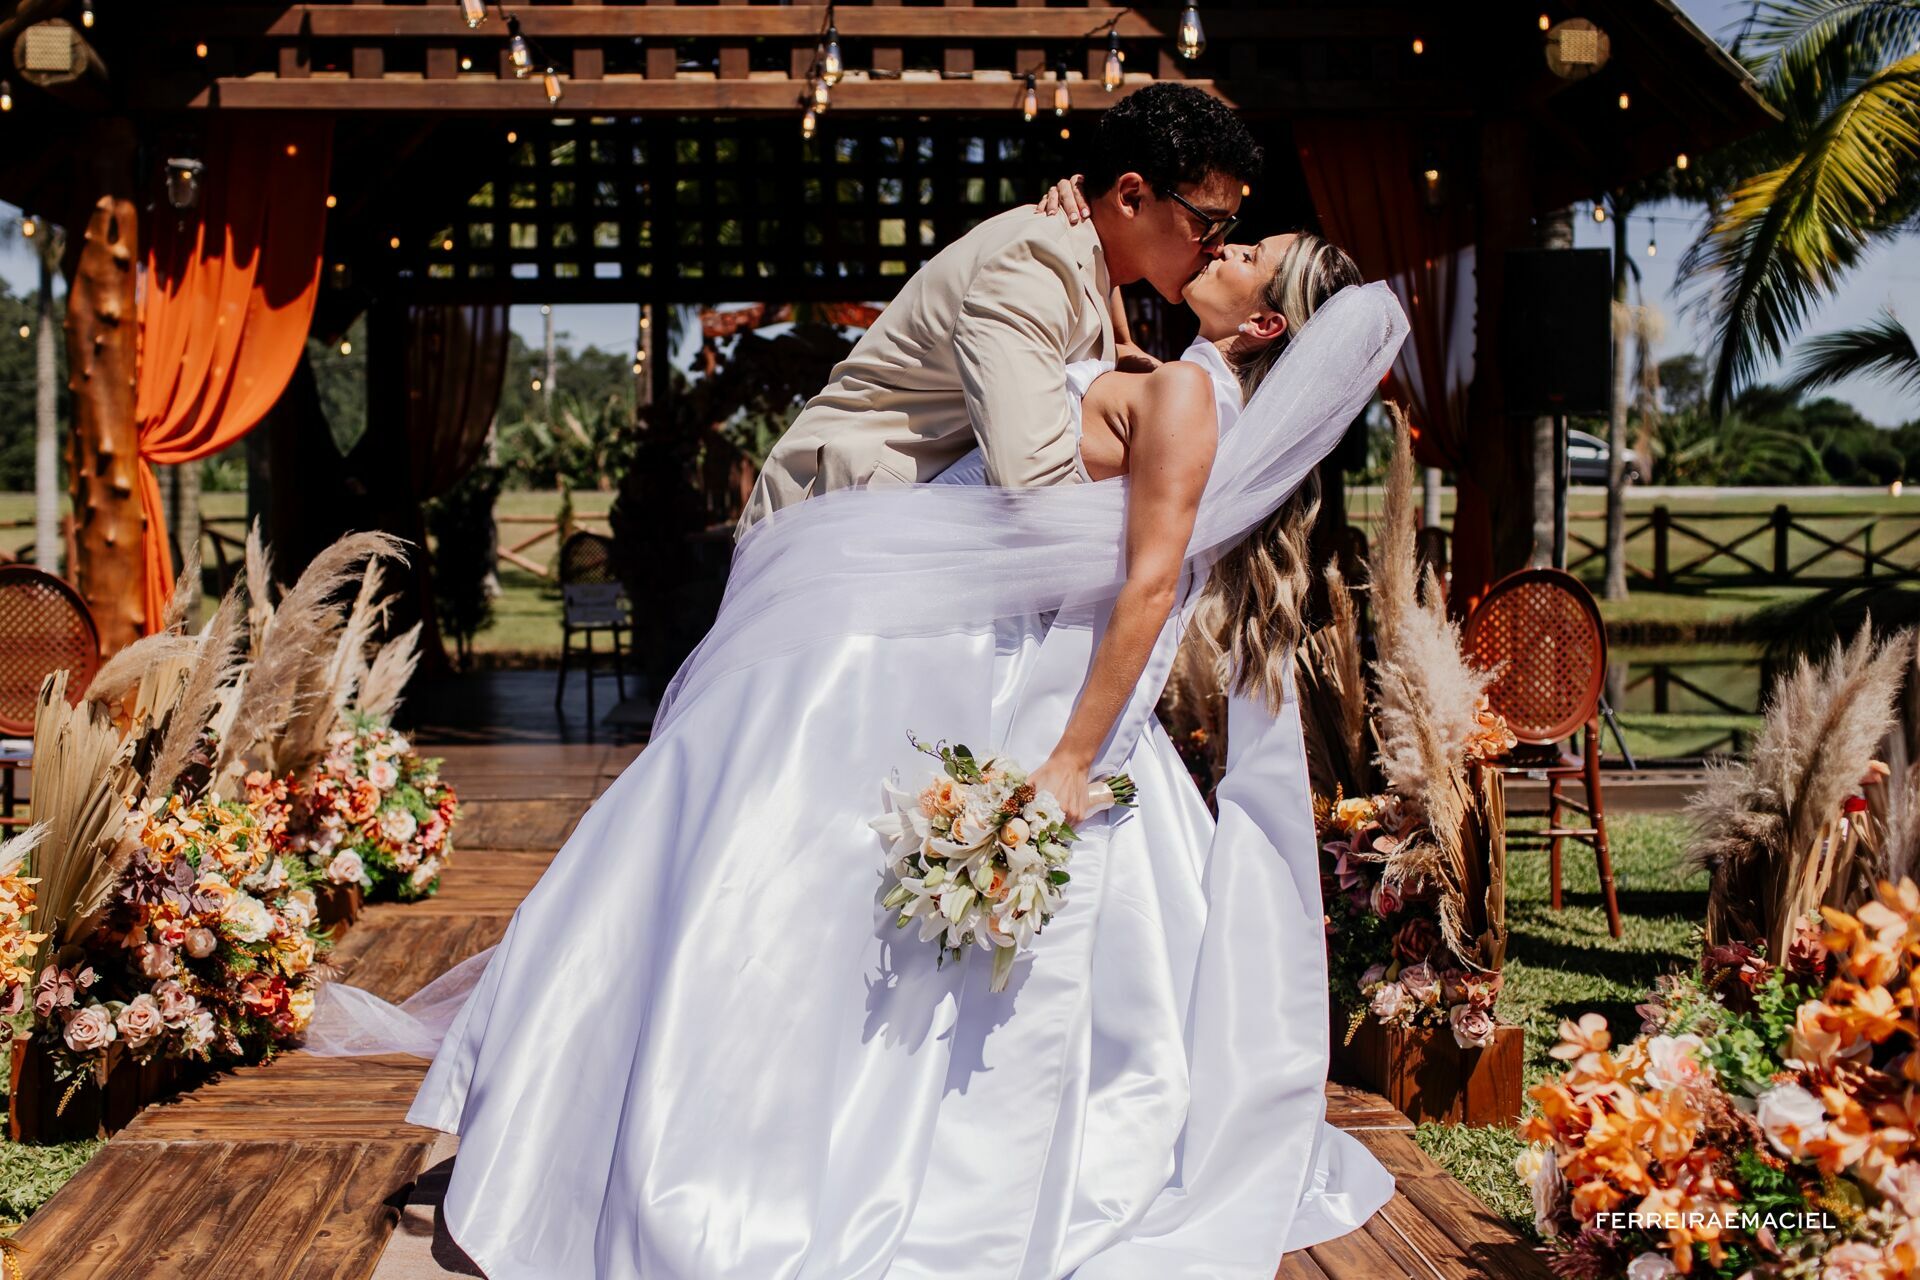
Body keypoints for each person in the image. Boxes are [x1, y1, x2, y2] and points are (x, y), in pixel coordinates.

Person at [304, 218, 1409, 1277]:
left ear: (1263, 324)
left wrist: (1073, 757)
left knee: (771, 872)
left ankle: (704, 1136)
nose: (1225, 243)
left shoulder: (1183, 396)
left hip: (961, 654)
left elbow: (1148, 589)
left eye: (1250, 252)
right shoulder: (1187, 388)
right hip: (976, 647)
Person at [734, 83, 1261, 538]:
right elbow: (1032, 485)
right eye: (1208, 222)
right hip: (834, 525)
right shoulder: (1034, 268)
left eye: (1229, 229)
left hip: (894, 523)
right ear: (1130, 197)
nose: (1217, 245)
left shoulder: (1093, 257)